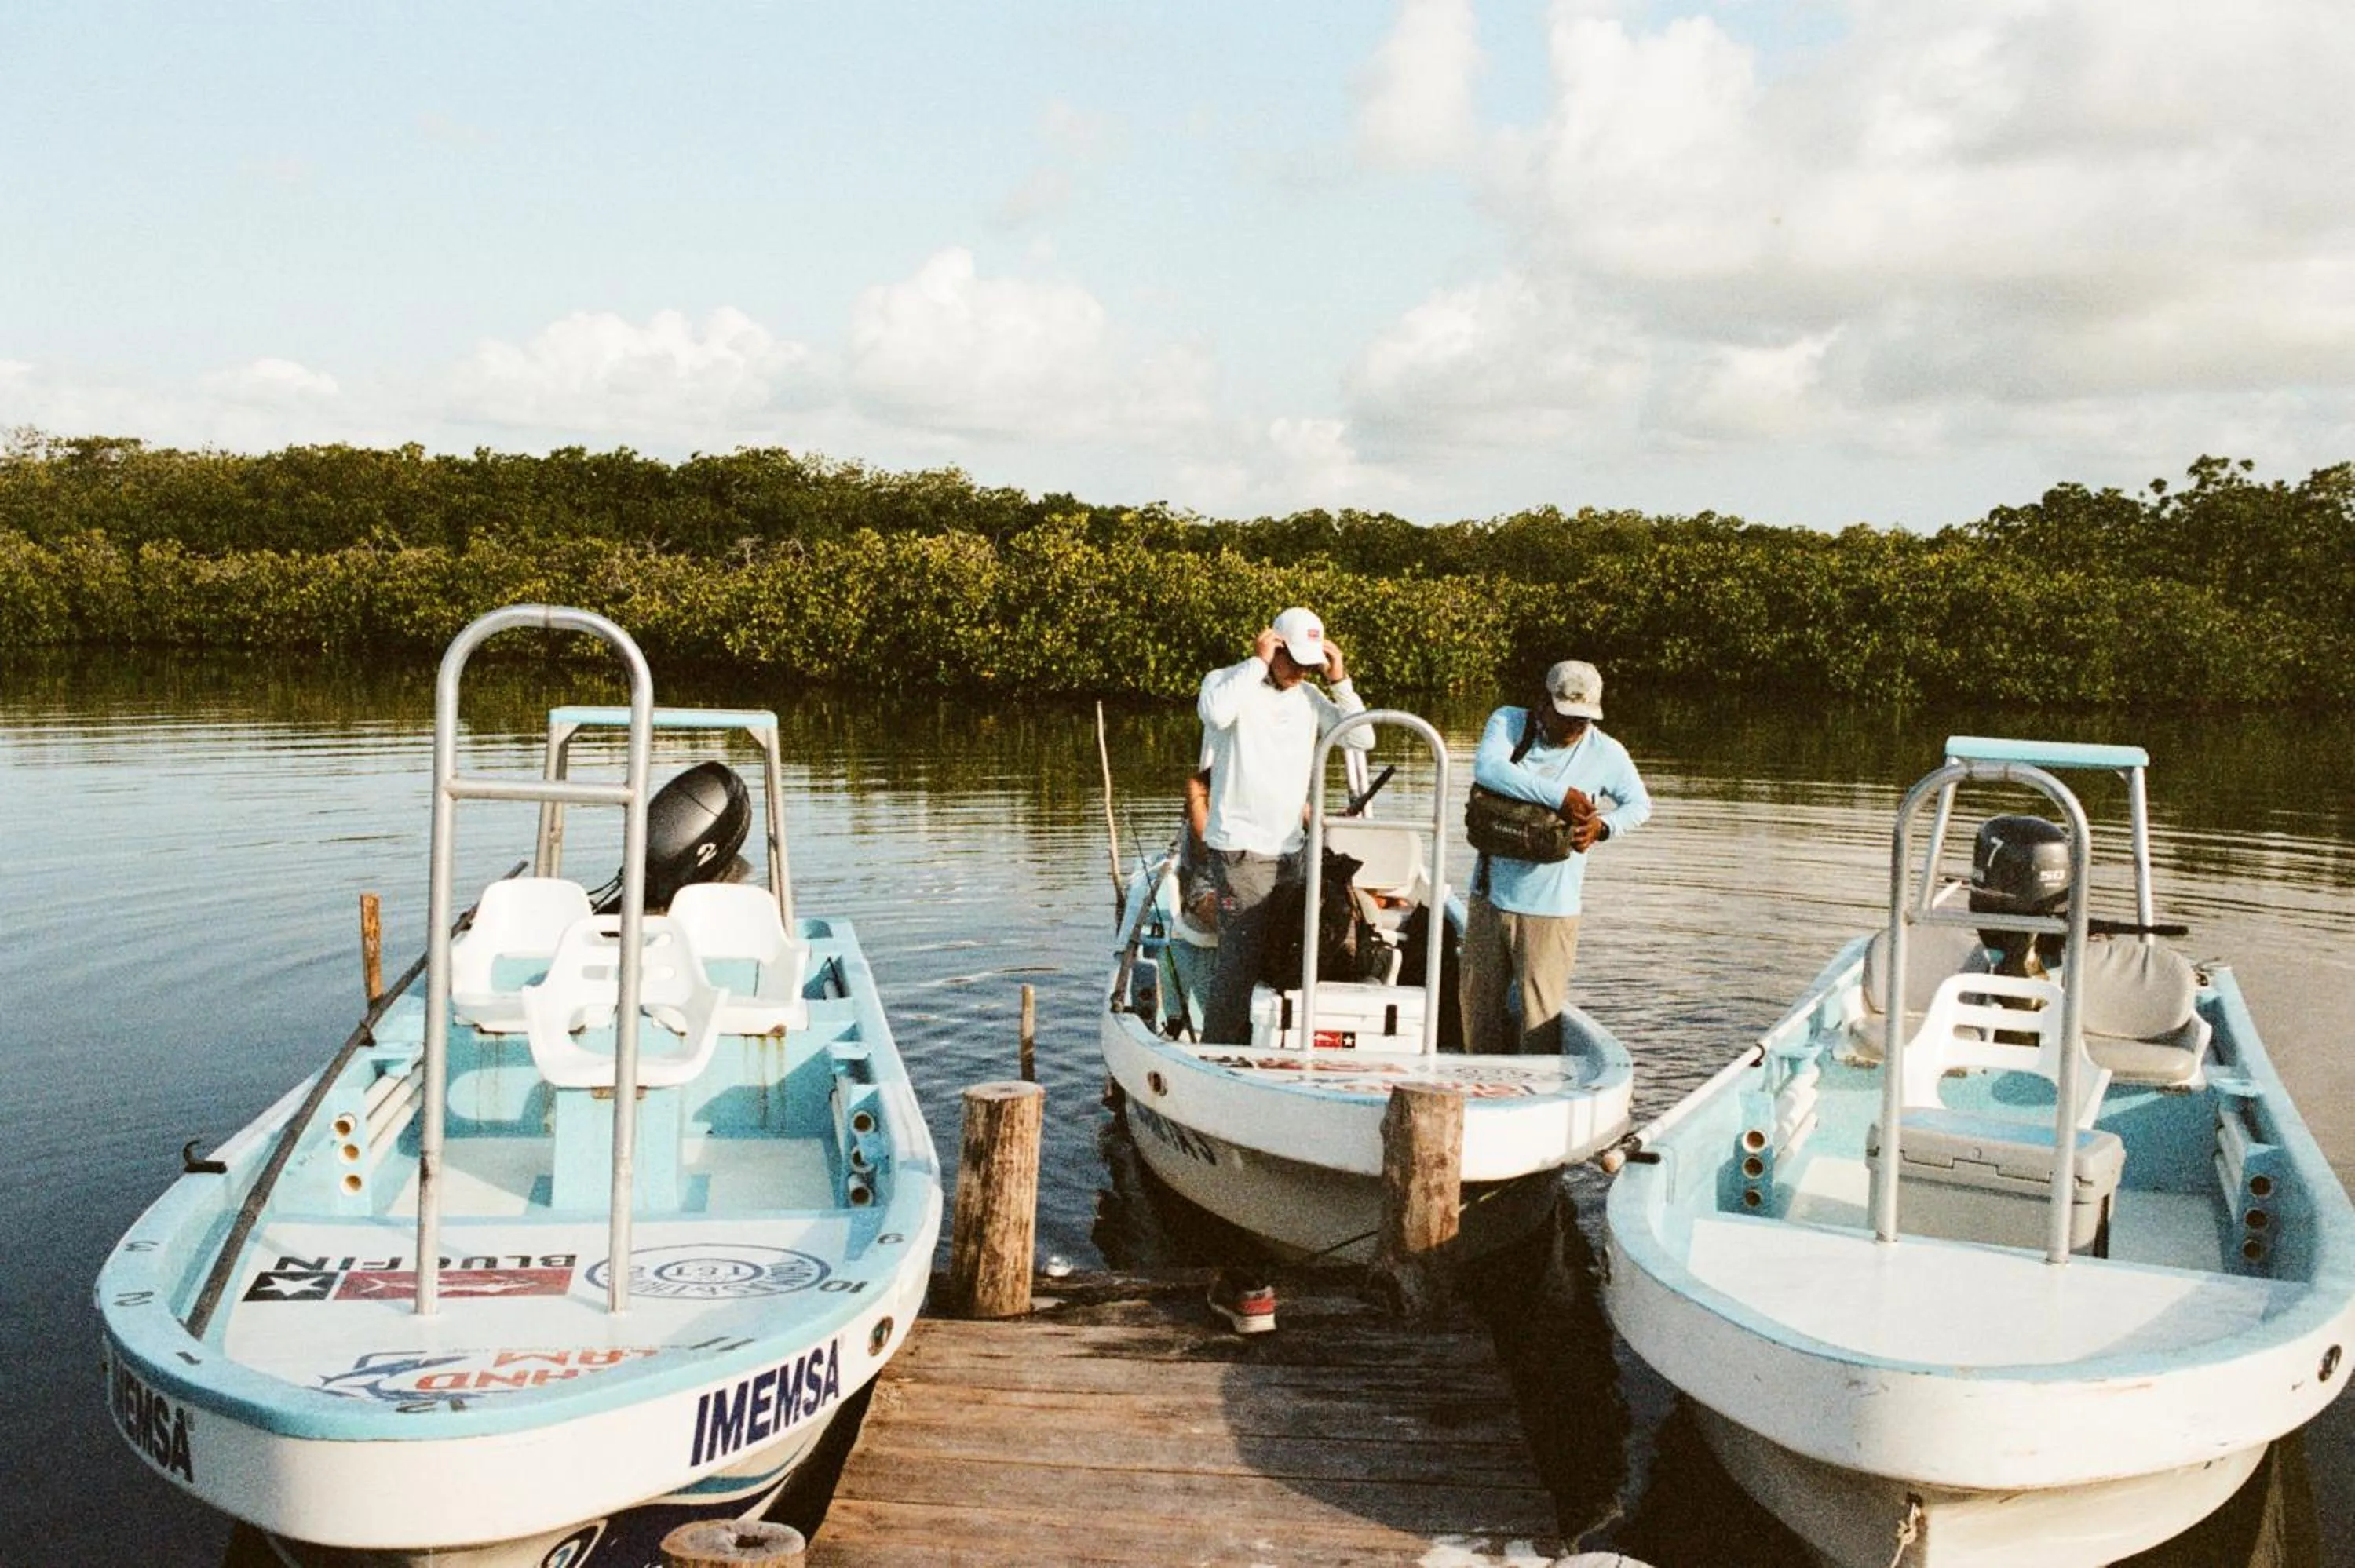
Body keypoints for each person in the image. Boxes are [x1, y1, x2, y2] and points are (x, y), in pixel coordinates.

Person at [1194, 607, 1372, 1048]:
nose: (1298, 672)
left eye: (1308, 664)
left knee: (1285, 948)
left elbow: (1361, 738)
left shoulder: (1311, 699)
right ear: (1273, 645)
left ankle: (1273, 1044)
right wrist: (1256, 663)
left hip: (1292, 849)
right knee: (1241, 954)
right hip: (1241, 849)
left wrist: (1339, 681)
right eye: (1291, 659)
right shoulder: (1226, 681)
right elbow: (1215, 715)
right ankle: (1220, 1051)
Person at [1459, 658, 1651, 1056]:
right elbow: (1489, 769)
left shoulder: (1607, 752)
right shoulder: (1510, 723)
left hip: (1552, 909)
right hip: (1488, 898)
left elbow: (1639, 805)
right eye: (1566, 716)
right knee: (1478, 1012)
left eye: (1584, 719)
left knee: (1540, 1021)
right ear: (1543, 703)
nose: (1575, 727)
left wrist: (1604, 827)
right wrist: (1561, 796)